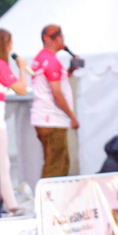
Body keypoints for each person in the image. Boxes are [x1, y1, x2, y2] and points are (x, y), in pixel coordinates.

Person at [30, 24, 78, 180]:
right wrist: (72, 116)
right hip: (52, 119)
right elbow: (56, 93)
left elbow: (51, 84)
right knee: (57, 166)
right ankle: (49, 195)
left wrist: (69, 71)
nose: (61, 39)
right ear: (49, 38)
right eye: (59, 36)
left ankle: (50, 193)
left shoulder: (41, 58)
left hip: (45, 117)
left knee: (55, 162)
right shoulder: (51, 60)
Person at [0, 29, 30, 214]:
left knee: (2, 163)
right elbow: (21, 89)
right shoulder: (0, 64)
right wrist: (22, 68)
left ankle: (7, 201)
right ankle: (12, 205)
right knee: (3, 164)